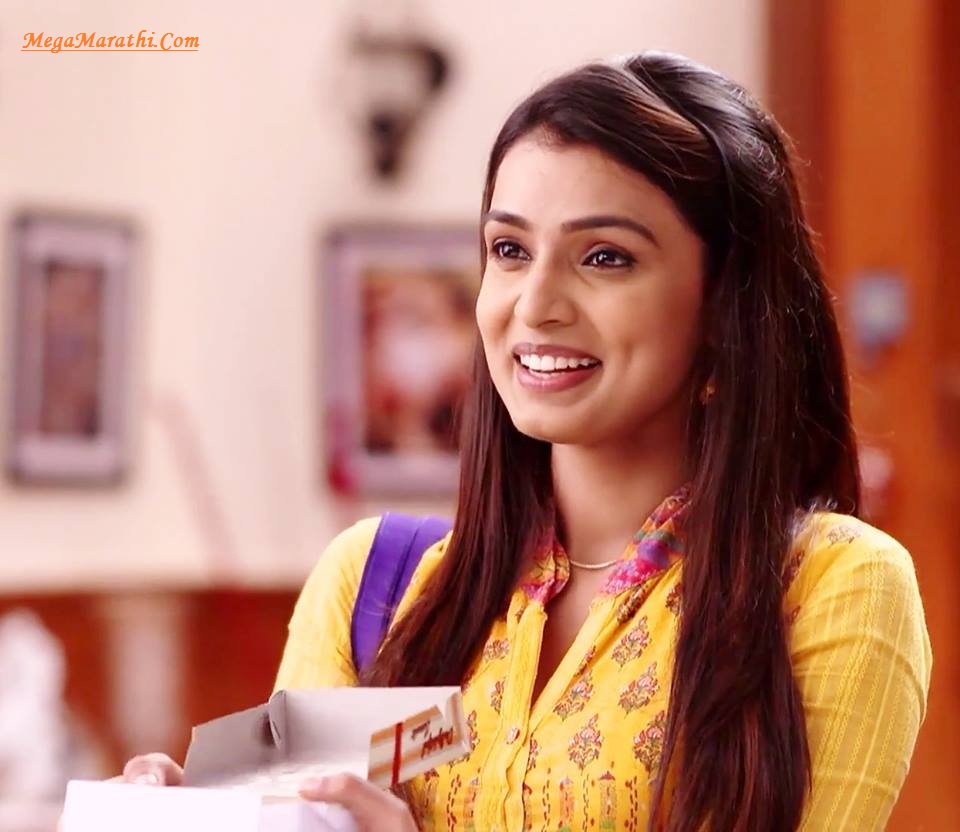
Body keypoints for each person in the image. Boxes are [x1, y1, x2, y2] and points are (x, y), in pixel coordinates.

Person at [121, 51, 932, 831]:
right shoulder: (370, 587)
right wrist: (197, 817)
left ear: (726, 310)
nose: (534, 304)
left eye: (605, 257)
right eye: (509, 251)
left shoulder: (830, 589)